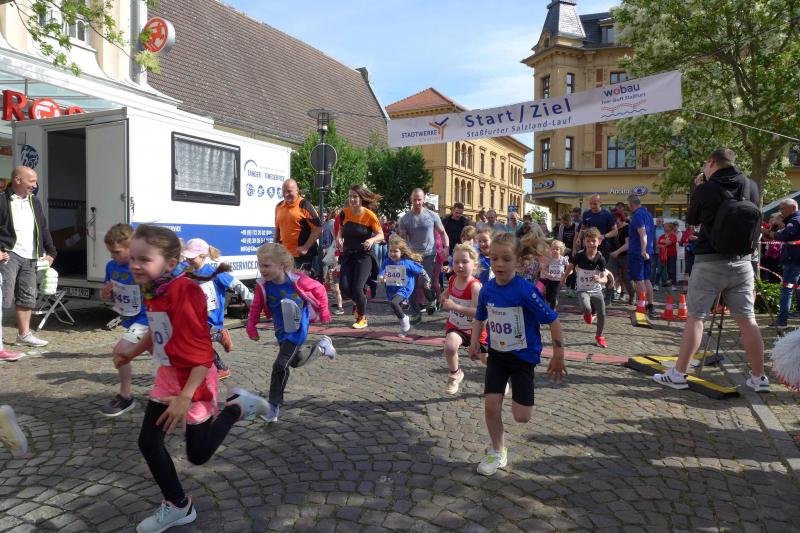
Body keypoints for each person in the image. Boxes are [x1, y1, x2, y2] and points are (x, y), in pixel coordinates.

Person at [112, 224, 270, 533]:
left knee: (198, 455)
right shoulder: (155, 288)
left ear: (170, 263)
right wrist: (130, 352)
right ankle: (178, 505)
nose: (135, 265)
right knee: (149, 442)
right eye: (133, 258)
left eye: (144, 259)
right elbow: (157, 329)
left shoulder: (183, 293)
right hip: (169, 375)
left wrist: (186, 397)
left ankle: (237, 408)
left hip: (195, 381)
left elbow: (202, 355)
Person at [654, 148, 769, 392]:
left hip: (709, 261)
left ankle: (678, 374)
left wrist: (697, 188)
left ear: (711, 163)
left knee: (696, 317)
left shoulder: (706, 188)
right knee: (747, 320)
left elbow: (692, 219)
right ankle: (759, 378)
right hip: (742, 263)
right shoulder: (751, 186)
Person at [468, 232, 566, 476]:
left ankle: (514, 388)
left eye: (506, 259)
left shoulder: (525, 291)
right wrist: (474, 342)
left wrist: (558, 355)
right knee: (491, 406)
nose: (499, 264)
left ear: (518, 262)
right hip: (498, 356)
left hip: (523, 359)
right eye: (494, 259)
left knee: (522, 417)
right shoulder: (488, 290)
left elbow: (553, 320)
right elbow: (480, 316)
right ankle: (497, 451)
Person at [246, 242, 335, 423]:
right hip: (281, 330)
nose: (262, 270)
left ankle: (273, 407)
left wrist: (324, 311)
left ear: (282, 265)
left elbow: (319, 289)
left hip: (297, 330)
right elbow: (256, 307)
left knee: (280, 366)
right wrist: (251, 326)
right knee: (294, 361)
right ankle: (322, 348)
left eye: (266, 266)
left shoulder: (297, 280)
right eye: (260, 265)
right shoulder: (263, 285)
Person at [179, 239, 253, 380]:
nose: (188, 260)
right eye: (187, 257)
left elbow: (237, 285)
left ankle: (221, 364)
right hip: (194, 317)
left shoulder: (214, 273)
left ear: (203, 256)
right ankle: (219, 342)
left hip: (211, 318)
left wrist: (252, 301)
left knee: (197, 341)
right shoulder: (185, 270)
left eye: (192, 257)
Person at [0, 166, 56, 348]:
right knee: (3, 298)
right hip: (9, 254)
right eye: (31, 181)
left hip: (31, 256)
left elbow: (43, 227)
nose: (35, 185)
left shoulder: (35, 201)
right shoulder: (2, 200)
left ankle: (23, 335)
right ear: (17, 180)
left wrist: (51, 252)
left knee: (27, 296)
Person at [99, 224, 149, 416]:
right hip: (128, 318)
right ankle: (180, 388)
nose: (113, 256)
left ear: (131, 248)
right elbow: (109, 294)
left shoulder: (141, 266)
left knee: (120, 352)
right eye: (110, 252)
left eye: (117, 252)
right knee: (163, 357)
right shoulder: (111, 266)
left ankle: (126, 396)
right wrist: (106, 294)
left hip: (146, 318)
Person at [397, 189, 449, 324]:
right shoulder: (405, 219)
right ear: (411, 200)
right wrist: (401, 252)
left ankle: (431, 299)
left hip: (428, 255)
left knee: (423, 282)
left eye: (419, 199)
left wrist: (446, 247)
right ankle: (416, 314)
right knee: (411, 285)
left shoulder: (432, 215)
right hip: (412, 256)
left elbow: (443, 232)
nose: (417, 202)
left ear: (423, 200)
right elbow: (402, 239)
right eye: (414, 199)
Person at [441, 243, 486, 395]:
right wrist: (444, 294)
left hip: (475, 329)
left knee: (486, 359)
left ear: (475, 265)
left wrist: (455, 307)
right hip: (456, 326)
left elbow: (478, 313)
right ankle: (455, 374)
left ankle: (500, 379)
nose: (460, 265)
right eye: (456, 262)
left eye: (465, 262)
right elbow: (450, 289)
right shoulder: (453, 279)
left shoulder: (475, 287)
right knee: (450, 346)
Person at [337, 185, 384, 329]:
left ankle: (362, 318)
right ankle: (360, 300)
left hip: (364, 255)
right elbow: (341, 229)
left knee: (357, 287)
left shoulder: (369, 215)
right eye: (350, 196)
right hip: (348, 254)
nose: (352, 199)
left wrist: (372, 240)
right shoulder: (344, 213)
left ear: (361, 198)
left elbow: (381, 235)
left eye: (355, 196)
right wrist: (338, 238)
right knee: (344, 288)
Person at [564, 228, 609, 348]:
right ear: (584, 242)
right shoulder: (580, 255)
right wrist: (564, 277)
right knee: (586, 307)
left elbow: (605, 278)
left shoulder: (600, 258)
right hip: (582, 289)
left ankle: (599, 336)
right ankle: (587, 314)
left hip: (596, 289)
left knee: (602, 313)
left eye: (593, 241)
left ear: (599, 242)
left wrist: (600, 280)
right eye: (588, 241)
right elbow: (570, 266)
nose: (590, 244)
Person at [379, 235, 431, 337]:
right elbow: (381, 274)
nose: (392, 253)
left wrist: (428, 281)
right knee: (394, 305)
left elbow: (421, 270)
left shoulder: (407, 263)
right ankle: (404, 324)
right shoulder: (386, 262)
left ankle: (405, 321)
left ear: (402, 252)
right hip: (392, 288)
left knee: (394, 303)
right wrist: (382, 279)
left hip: (405, 288)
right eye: (390, 251)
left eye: (395, 251)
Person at [274, 178, 323, 274]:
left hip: (302, 256)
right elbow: (277, 228)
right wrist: (275, 246)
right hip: (285, 255)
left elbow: (318, 229)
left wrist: (305, 247)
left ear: (297, 191)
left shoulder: (304, 205)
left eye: (289, 191)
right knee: (285, 281)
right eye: (284, 191)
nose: (286, 194)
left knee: (300, 282)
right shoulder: (278, 207)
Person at [769, 199, 800, 327]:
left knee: (786, 289)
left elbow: (784, 236)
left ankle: (782, 319)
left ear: (793, 208)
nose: (781, 211)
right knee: (797, 288)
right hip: (795, 258)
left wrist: (769, 232)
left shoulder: (794, 220)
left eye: (783, 208)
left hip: (793, 259)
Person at [627, 195, 656, 317]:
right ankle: (651, 305)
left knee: (639, 280)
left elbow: (642, 233)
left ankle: (641, 306)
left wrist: (643, 250)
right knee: (646, 279)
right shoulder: (648, 214)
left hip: (638, 252)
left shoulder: (637, 215)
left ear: (631, 204)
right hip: (648, 251)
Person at [608, 210, 635, 305]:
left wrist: (617, 251)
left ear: (620, 218)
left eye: (615, 219)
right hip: (613, 256)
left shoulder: (627, 227)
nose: (613, 222)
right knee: (610, 276)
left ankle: (632, 295)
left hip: (625, 256)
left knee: (626, 278)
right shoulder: (612, 228)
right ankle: (608, 298)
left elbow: (628, 244)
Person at [322, 208, 344, 315]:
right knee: (336, 286)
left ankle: (340, 306)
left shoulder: (331, 223)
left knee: (337, 285)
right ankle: (340, 305)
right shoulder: (334, 223)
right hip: (336, 254)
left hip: (337, 254)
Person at [538, 240, 569, 310]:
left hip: (558, 281)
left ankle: (552, 310)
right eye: (553, 249)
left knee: (554, 296)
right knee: (548, 297)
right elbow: (543, 269)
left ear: (561, 250)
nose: (555, 251)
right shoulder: (549, 259)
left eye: (557, 249)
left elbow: (570, 269)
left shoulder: (563, 259)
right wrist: (548, 274)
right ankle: (552, 303)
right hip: (550, 280)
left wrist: (566, 274)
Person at [656, 223, 678, 288]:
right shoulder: (661, 236)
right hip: (662, 255)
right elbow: (657, 245)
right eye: (664, 227)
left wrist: (663, 242)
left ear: (670, 228)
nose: (664, 228)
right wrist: (663, 244)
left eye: (666, 227)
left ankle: (673, 285)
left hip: (671, 255)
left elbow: (668, 243)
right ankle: (656, 284)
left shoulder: (673, 236)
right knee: (660, 269)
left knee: (671, 270)